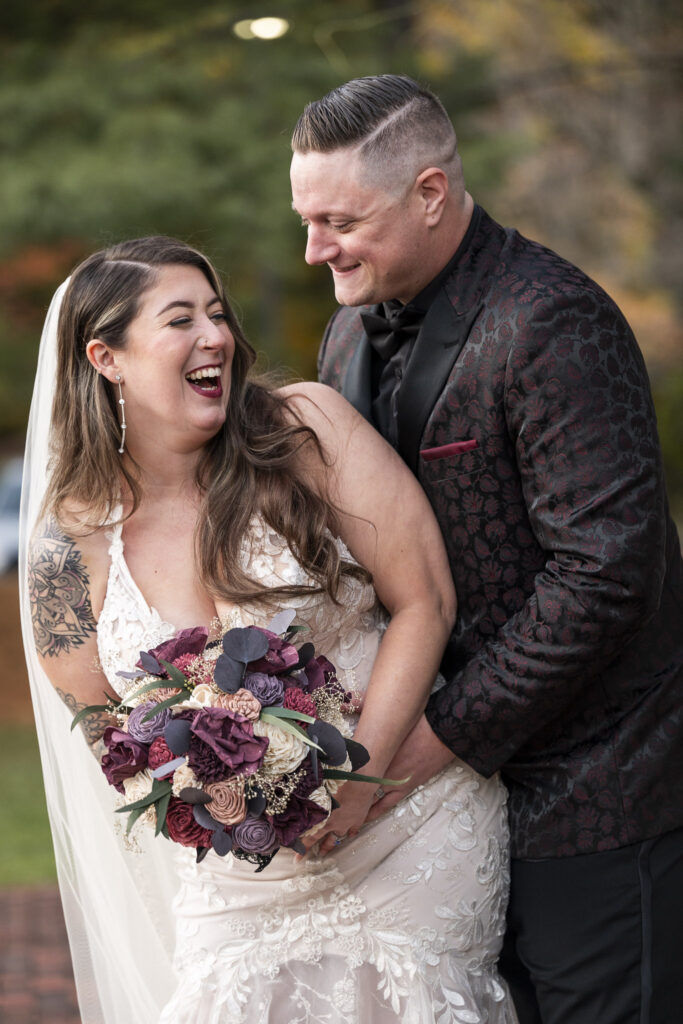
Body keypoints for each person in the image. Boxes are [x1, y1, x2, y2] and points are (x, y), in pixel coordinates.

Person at [20, 236, 518, 1023]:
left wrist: (362, 783)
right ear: (106, 357)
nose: (214, 336)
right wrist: (212, 794)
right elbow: (107, 729)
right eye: (179, 319)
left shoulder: (303, 429)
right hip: (237, 875)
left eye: (217, 314)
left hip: (408, 818)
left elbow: (425, 600)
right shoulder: (63, 549)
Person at [290, 74, 683, 1024]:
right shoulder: (346, 333)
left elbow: (604, 573)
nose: (313, 251)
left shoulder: (552, 319)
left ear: (430, 192)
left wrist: (430, 742)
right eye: (304, 220)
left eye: (339, 219)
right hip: (447, 825)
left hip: (597, 792)